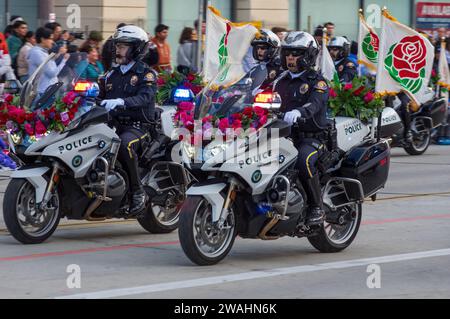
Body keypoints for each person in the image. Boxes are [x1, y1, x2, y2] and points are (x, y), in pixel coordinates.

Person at [98, 25, 157, 216]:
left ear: (136, 49)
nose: (118, 50)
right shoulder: (110, 75)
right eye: (117, 46)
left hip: (138, 127)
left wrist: (122, 101)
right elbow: (99, 98)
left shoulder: (145, 74)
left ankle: (137, 191)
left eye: (123, 46)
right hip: (113, 125)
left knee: (125, 145)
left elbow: (145, 98)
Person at [274, 31, 329, 226]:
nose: (291, 57)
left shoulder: (317, 82)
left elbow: (315, 104)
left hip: (312, 138)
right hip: (282, 136)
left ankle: (316, 207)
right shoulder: (279, 81)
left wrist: (299, 112)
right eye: (288, 52)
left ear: (308, 55)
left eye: (296, 53)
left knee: (302, 160)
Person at [27, 27, 69, 98]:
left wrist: (58, 55)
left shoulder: (42, 52)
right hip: (43, 92)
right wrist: (64, 61)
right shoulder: (37, 53)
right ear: (42, 39)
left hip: (48, 90)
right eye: (50, 39)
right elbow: (52, 73)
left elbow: (49, 64)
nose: (52, 42)